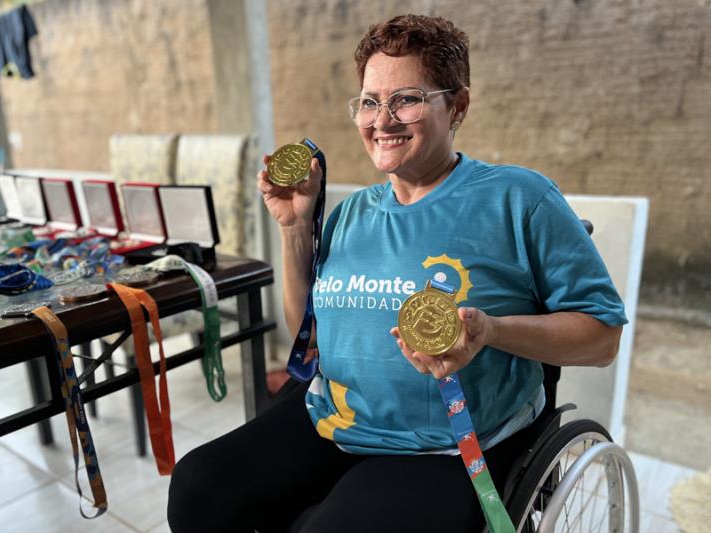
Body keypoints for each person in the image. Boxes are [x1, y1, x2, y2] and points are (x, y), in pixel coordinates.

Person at [168, 13, 627, 533]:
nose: (381, 121)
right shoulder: (350, 214)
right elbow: (310, 340)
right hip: (338, 417)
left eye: (406, 99)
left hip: (443, 446)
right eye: (369, 102)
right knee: (197, 488)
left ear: (458, 105)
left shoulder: (519, 198)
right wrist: (295, 229)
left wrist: (493, 331)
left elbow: (602, 337)